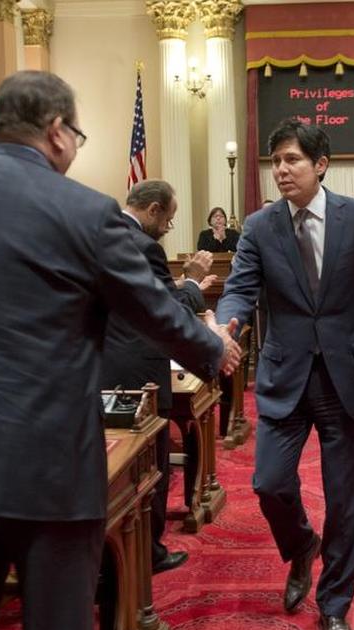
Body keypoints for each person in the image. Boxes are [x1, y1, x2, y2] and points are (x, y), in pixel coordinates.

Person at [0, 70, 240, 630]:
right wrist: (214, 348)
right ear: (60, 132)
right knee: (58, 624)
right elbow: (151, 311)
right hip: (46, 462)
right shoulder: (87, 212)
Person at [215, 118, 354, 630]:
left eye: (292, 160)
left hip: (349, 377)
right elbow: (239, 288)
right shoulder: (259, 226)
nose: (281, 170)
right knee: (269, 483)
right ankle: (301, 545)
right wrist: (226, 321)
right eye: (275, 161)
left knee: (346, 498)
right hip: (285, 374)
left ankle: (335, 603)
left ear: (321, 165)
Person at [100, 179, 218, 576]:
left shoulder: (100, 231)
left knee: (113, 466)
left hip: (102, 365)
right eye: (167, 220)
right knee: (152, 464)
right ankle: (149, 551)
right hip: (139, 371)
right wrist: (191, 280)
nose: (167, 228)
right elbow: (163, 311)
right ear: (151, 210)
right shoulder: (143, 246)